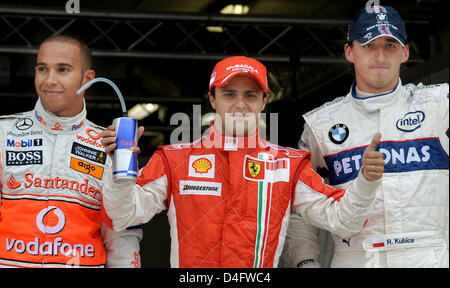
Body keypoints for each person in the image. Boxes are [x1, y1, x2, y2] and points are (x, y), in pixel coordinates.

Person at [100, 55, 385, 268]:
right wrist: (117, 168)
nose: (240, 103)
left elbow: (344, 220)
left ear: (264, 101)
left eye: (250, 95)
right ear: (212, 99)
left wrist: (366, 182)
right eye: (229, 94)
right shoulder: (174, 159)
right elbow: (123, 215)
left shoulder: (288, 164)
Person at [286, 5, 449, 268]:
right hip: (356, 260)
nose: (380, 55)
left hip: (429, 259)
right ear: (349, 51)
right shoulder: (319, 126)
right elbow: (300, 208)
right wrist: (306, 262)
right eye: (369, 45)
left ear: (405, 52)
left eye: (390, 45)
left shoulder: (439, 105)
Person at [0, 34, 142, 267]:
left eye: (63, 70)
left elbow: (122, 233)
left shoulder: (109, 145)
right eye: (42, 69)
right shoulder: (4, 133)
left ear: (88, 79)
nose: (49, 80)